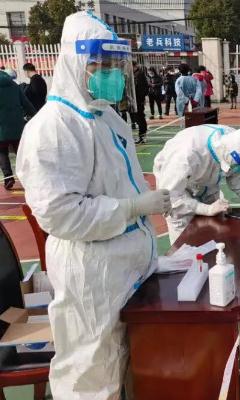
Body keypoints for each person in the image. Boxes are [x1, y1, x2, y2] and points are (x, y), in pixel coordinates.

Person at [16, 11, 171, 399]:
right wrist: (132, 208)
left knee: (127, 366)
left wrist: (144, 205)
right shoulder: (53, 128)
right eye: (100, 65)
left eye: (115, 64)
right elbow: (60, 214)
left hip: (127, 269)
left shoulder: (107, 118)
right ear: (74, 63)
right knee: (91, 377)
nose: (111, 73)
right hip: (93, 275)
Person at [154, 124, 240, 243]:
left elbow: (238, 176)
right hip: (178, 189)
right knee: (184, 242)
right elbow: (170, 198)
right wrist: (205, 209)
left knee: (213, 230)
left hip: (207, 184)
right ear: (230, 154)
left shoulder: (238, 142)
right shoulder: (185, 154)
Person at [0, 69, 35, 189]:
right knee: (20, 152)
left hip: (1, 128)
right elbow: (26, 103)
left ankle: (8, 178)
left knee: (2, 152)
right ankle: (29, 176)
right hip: (17, 126)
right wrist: (36, 115)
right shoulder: (14, 86)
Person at [132, 60, 149, 144]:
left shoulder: (139, 74)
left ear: (134, 66)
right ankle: (142, 135)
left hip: (138, 99)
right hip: (135, 99)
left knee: (140, 117)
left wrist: (142, 98)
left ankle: (142, 136)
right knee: (138, 117)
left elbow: (143, 88)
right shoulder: (134, 74)